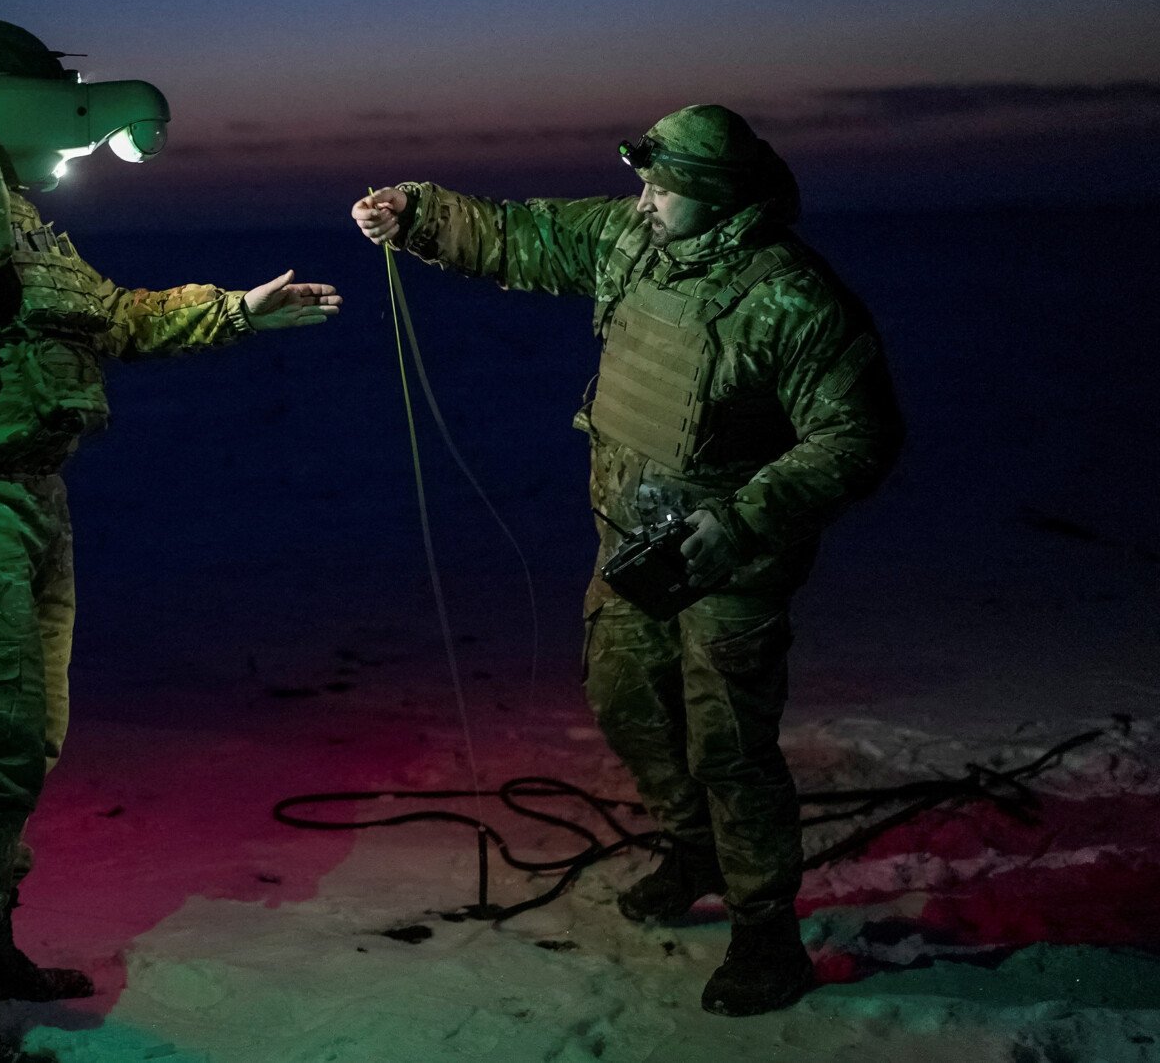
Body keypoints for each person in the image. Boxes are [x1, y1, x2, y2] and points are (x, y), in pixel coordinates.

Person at [0, 18, 340, 1063]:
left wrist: (237, 310)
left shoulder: (21, 214)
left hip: (32, 495)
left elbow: (109, 317)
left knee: (34, 735)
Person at [350, 105, 901, 1017]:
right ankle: (693, 850)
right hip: (630, 547)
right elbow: (524, 236)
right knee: (626, 703)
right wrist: (416, 215)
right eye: (642, 184)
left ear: (718, 197)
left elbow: (858, 437)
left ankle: (767, 936)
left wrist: (742, 520)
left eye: (662, 190)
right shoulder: (632, 240)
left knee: (730, 750)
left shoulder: (794, 300)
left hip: (729, 563)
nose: (643, 202)